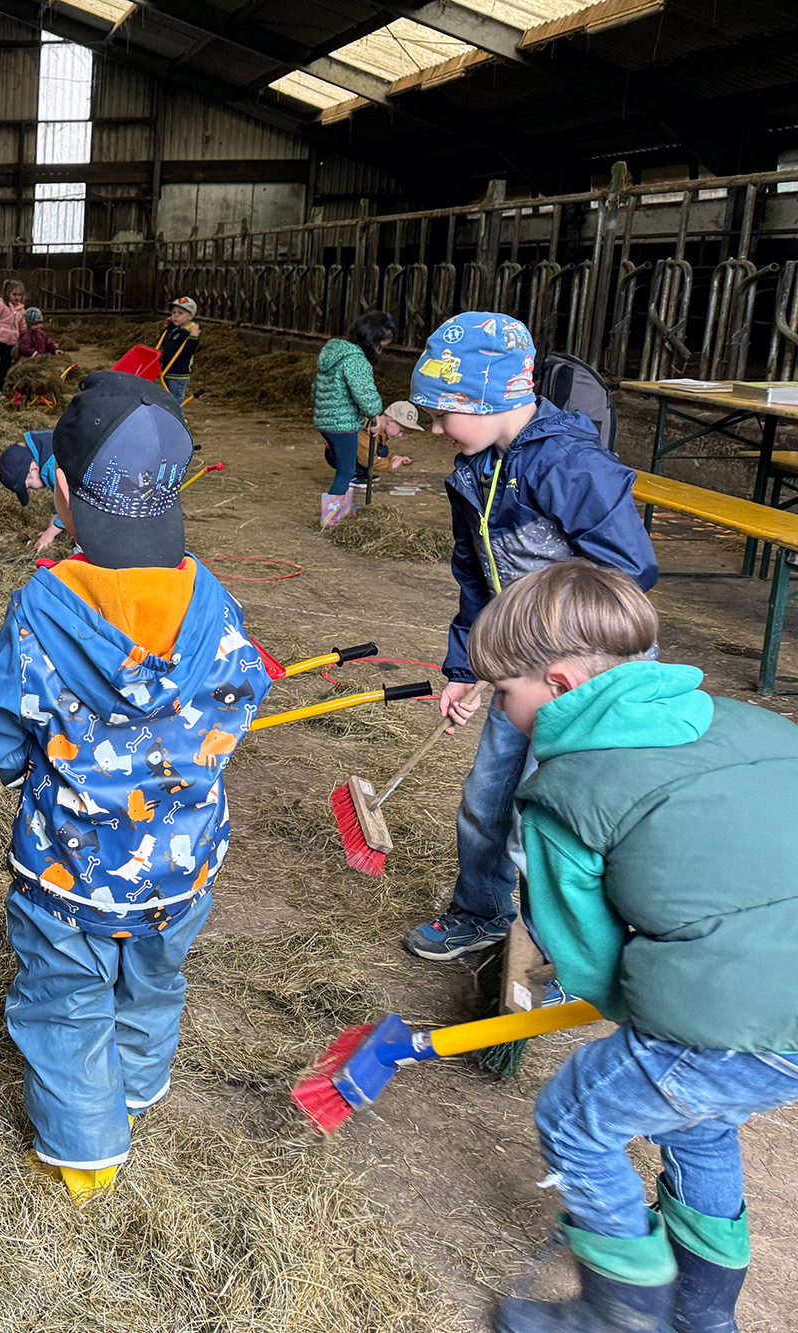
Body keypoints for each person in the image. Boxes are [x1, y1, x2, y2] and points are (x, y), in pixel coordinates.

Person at [466, 561, 798, 1333]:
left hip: (738, 1006)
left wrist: (645, 1019)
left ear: (555, 683)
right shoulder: (758, 724)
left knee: (579, 1116)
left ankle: (619, 1316)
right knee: (697, 1117)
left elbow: (588, 964)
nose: (501, 709)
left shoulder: (564, 791)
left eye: (503, 692)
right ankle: (703, 1313)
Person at [0, 375, 268, 1204]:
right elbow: (247, 695)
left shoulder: (43, 606)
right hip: (185, 861)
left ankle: (85, 1150)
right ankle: (136, 1091)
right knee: (155, 976)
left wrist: (16, 767)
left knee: (66, 1000)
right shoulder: (215, 600)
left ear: (61, 491)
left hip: (70, 866)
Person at [400, 312, 658, 965]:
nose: (433, 429)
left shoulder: (569, 465)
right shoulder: (474, 470)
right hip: (525, 664)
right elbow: (477, 575)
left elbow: (631, 570)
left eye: (441, 413)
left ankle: (556, 948)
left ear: (489, 400)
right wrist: (465, 666)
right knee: (488, 794)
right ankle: (481, 910)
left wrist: (560, 636)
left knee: (550, 818)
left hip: (589, 673)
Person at [311, 310, 395, 527]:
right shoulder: (356, 360)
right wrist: (375, 412)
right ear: (372, 341)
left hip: (327, 421)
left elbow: (315, 389)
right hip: (343, 423)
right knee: (346, 471)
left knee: (342, 463)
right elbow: (364, 392)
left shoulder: (334, 356)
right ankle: (331, 518)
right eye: (381, 347)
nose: (381, 352)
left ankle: (343, 507)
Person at [0, 428, 68, 554]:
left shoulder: (53, 466)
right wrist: (52, 525)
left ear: (33, 470)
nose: (32, 491)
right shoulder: (46, 446)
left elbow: (71, 501)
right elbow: (61, 496)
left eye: (29, 486)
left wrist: (51, 533)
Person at [155, 297, 200, 401]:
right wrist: (168, 327)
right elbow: (165, 343)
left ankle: (177, 417)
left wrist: (194, 338)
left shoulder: (189, 333)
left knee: (176, 400)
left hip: (179, 374)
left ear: (190, 316)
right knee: (166, 399)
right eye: (173, 312)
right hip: (167, 371)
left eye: (180, 313)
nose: (175, 315)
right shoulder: (174, 330)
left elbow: (188, 351)